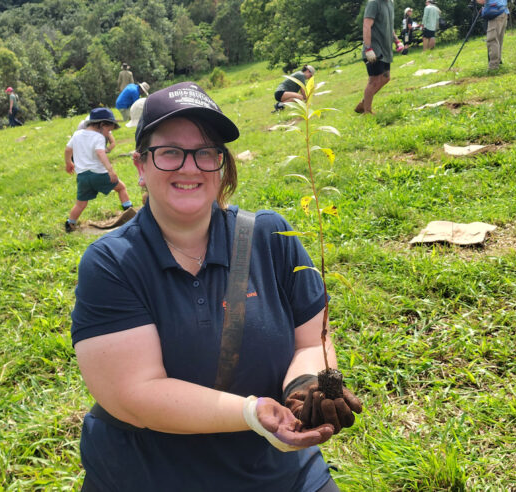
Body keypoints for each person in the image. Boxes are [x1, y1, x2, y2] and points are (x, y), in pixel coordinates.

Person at [70, 81, 363, 491]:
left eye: (205, 153)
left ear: (221, 164)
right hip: (154, 475)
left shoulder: (271, 236)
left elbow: (311, 342)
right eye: (170, 152)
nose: (190, 167)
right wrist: (252, 413)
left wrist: (305, 387)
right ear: (140, 166)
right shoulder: (112, 264)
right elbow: (134, 393)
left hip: (279, 473)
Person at [64, 107, 133, 233]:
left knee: (80, 204)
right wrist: (111, 171)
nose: (108, 134)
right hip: (99, 174)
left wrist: (69, 163)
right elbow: (101, 153)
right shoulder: (98, 137)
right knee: (121, 187)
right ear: (101, 124)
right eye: (108, 130)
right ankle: (130, 213)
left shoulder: (77, 134)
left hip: (82, 177)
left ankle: (70, 224)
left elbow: (68, 150)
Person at [355, 0, 394, 115]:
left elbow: (388, 26)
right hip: (374, 49)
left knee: (386, 77)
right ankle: (367, 112)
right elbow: (366, 25)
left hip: (385, 49)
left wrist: (396, 40)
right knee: (374, 81)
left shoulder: (390, 3)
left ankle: (364, 103)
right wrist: (368, 48)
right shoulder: (374, 3)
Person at [478, 0, 509, 71]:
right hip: (503, 11)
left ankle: (493, 66)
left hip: (495, 14)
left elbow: (482, 1)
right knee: (498, 40)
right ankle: (498, 62)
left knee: (492, 40)